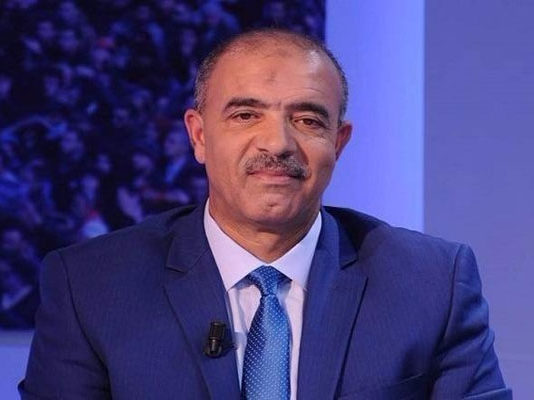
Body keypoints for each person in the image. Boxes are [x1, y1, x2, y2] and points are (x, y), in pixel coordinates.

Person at [20, 28, 511, 399]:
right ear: (199, 136)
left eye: (307, 119)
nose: (277, 143)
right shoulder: (91, 286)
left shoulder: (431, 283)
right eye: (245, 115)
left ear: (338, 144)